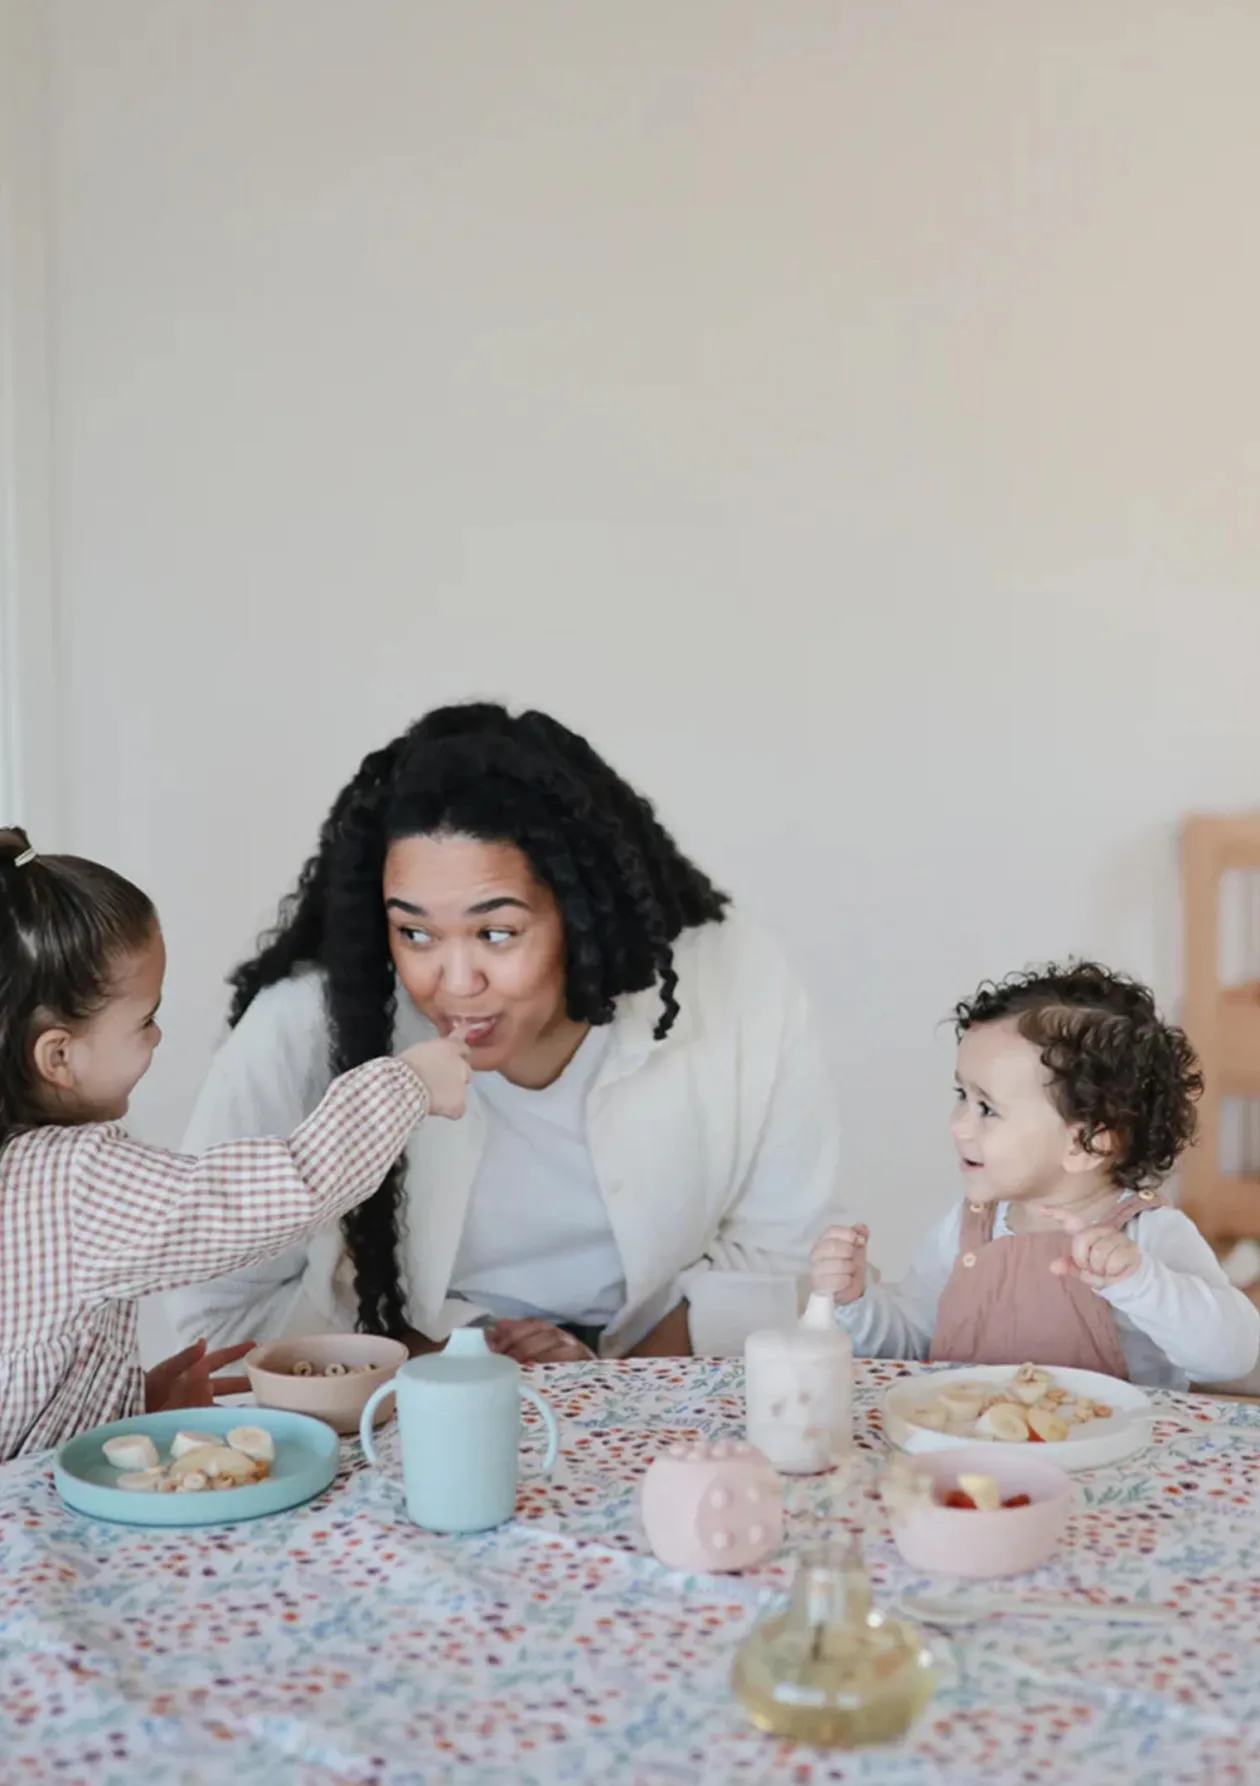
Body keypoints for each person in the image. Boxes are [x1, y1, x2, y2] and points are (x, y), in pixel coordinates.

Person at [167, 702, 845, 1363]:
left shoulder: (735, 981)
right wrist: (457, 1364)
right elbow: (218, 1310)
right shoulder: (303, 1027)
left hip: (664, 1373)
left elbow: (785, 1253)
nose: (457, 981)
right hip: (406, 1390)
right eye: (415, 933)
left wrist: (603, 1385)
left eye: (496, 933)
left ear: (581, 916)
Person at [0, 828, 470, 1460]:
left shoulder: (21, 1174)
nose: (158, 1036)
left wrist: (122, 1403)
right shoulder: (72, 1181)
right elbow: (278, 1192)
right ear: (59, 1057)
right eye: (145, 1019)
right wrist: (407, 1084)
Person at [810, 961, 1260, 1389]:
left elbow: (1233, 1355)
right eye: (961, 1095)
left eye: (987, 1108)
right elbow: (909, 1344)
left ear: (1085, 1143)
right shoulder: (967, 1229)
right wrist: (855, 1299)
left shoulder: (1148, 1235)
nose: (958, 1124)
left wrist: (1141, 1283)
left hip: (1110, 1447)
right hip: (968, 1443)